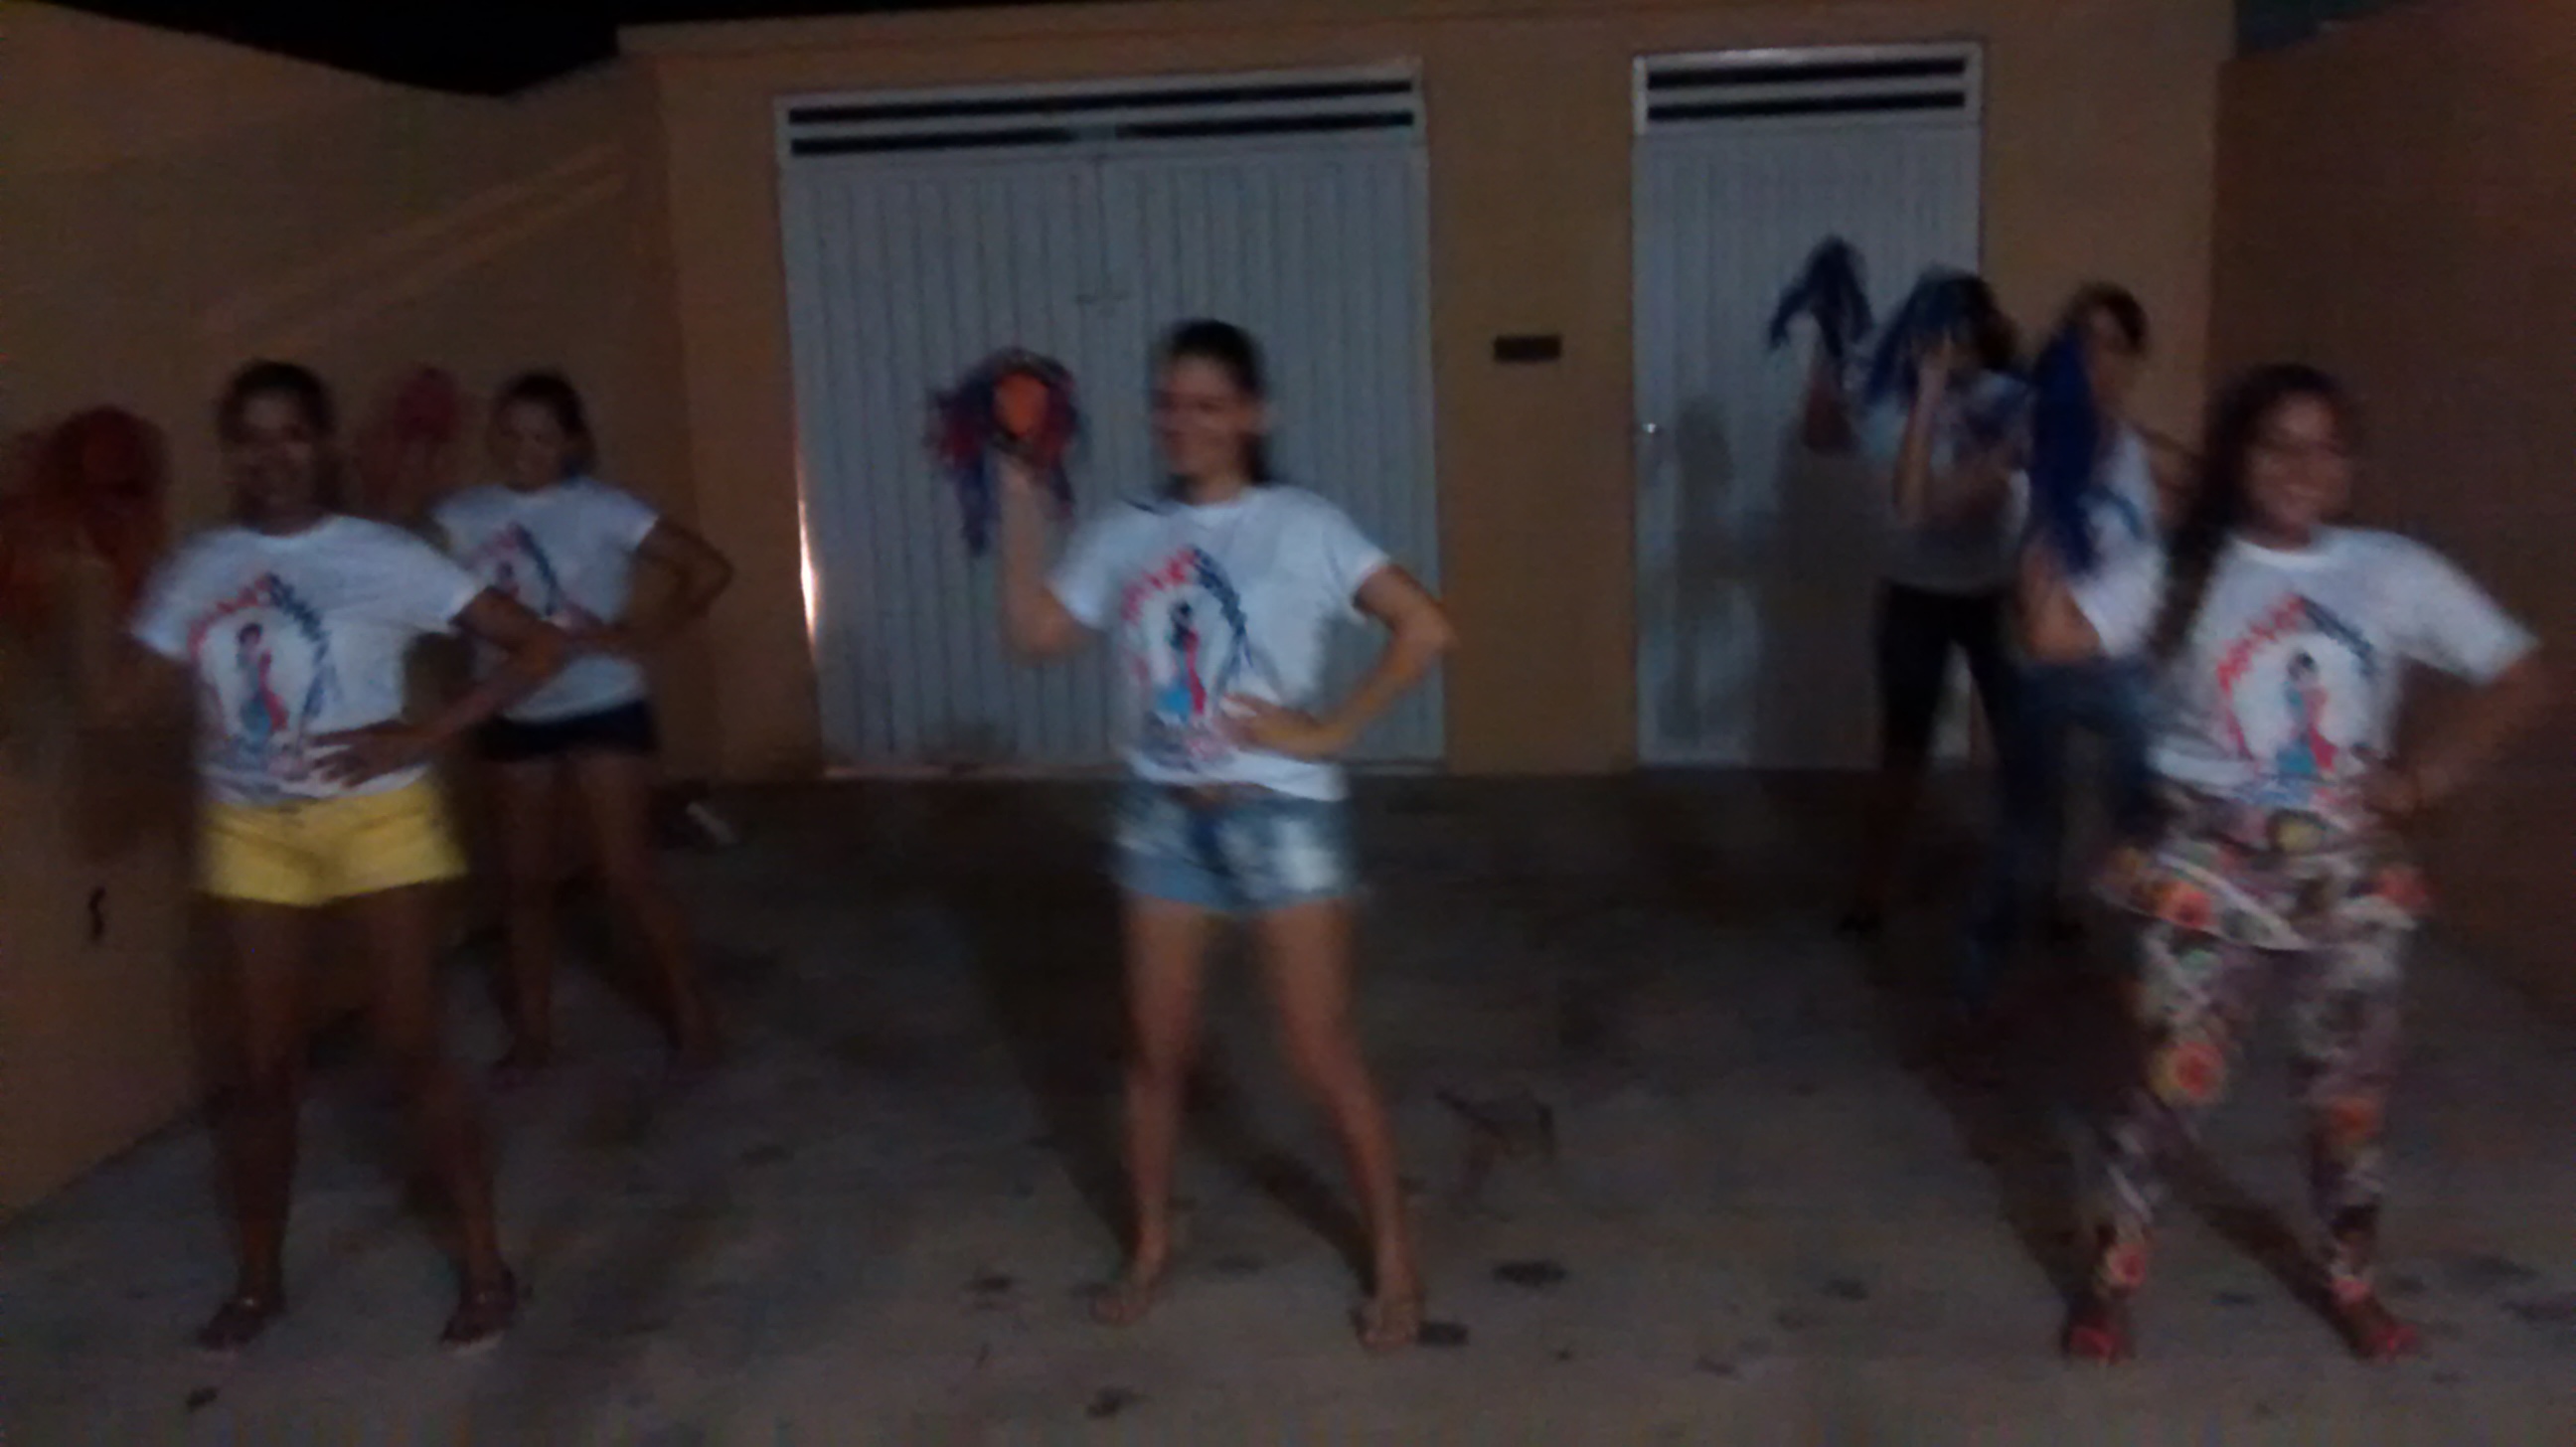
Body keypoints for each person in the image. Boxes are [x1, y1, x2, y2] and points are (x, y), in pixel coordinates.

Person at [2023, 364, 2548, 1363]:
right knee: (2169, 1084)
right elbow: (2050, 632)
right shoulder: (2182, 566)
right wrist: (2052, 494)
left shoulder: (2393, 570)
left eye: (2327, 448)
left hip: (2346, 867)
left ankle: (2351, 1280)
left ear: (2350, 466)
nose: (2304, 467)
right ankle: (2111, 1281)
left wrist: (2423, 779)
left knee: (2349, 1093)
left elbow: (2522, 676)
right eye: (2278, 444)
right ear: (2239, 455)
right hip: (2206, 858)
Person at [92, 361, 571, 1352]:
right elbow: (120, 705)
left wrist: (424, 734)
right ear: (229, 452)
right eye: (250, 438)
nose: (272, 456)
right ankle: (258, 1282)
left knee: (413, 1051)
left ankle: (486, 1270)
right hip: (251, 829)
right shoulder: (201, 563)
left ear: (323, 445)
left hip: (377, 823)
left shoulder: (379, 555)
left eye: (292, 434)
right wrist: (122, 557)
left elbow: (537, 646)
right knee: (262, 1071)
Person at [995, 320, 1454, 1351]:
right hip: (1163, 818)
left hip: (1283, 819)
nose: (1183, 423)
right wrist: (1020, 499)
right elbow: (1035, 635)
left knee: (1318, 1051)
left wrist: (1328, 730)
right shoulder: (1128, 528)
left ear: (1253, 414)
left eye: (1208, 405)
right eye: (1168, 403)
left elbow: (1425, 626)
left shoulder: (1301, 523)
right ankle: (1153, 1242)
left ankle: (1394, 1255)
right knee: (1155, 1055)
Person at [431, 372, 733, 1080]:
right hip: (512, 707)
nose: (523, 450)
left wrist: (640, 634)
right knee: (524, 884)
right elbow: (400, 570)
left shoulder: (603, 507)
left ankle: (692, 1015)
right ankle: (533, 1036)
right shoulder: (463, 514)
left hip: (602, 702)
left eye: (541, 437)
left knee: (625, 874)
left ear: (570, 442)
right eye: (510, 434)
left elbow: (707, 569)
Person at [1957, 284, 2176, 1030]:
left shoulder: (2145, 455)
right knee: (2026, 833)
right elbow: (1935, 503)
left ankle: (2155, 990)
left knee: (2142, 829)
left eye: (2113, 344)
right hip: (2041, 663)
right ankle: (1978, 991)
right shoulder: (2030, 432)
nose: (2095, 359)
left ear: (2135, 359)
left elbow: (2214, 513)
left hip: (2121, 666)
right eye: (2081, 341)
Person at [1843, 277, 2025, 935]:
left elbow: (1961, 503)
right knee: (1903, 747)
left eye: (1964, 331)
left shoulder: (2008, 399)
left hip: (1992, 594)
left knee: (2022, 745)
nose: (1952, 345)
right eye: (1939, 331)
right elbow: (1909, 504)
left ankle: (2043, 892)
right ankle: (1872, 893)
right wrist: (1925, 391)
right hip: (1914, 595)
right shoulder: (1893, 401)